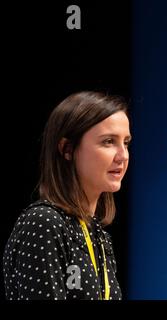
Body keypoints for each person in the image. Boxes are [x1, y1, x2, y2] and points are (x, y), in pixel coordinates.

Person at [3, 91, 131, 300]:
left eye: (126, 142)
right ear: (67, 149)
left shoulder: (99, 235)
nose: (123, 155)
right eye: (108, 141)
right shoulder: (44, 223)